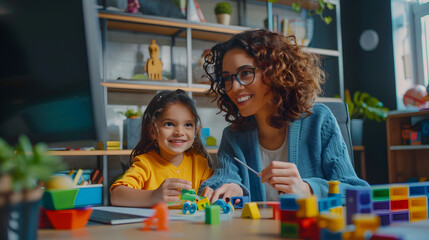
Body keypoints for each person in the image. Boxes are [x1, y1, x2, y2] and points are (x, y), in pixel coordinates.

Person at [198, 29, 369, 203]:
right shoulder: (233, 136)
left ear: (275, 72)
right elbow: (221, 179)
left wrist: (307, 189)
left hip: (309, 230)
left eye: (245, 73)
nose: (234, 87)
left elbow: (358, 191)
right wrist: (231, 187)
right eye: (227, 79)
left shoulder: (318, 121)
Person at [111, 89, 213, 207]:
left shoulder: (200, 163)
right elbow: (116, 196)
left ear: (196, 131)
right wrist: (153, 196)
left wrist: (212, 194)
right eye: (169, 124)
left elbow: (211, 194)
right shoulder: (145, 163)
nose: (179, 132)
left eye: (188, 125)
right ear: (152, 131)